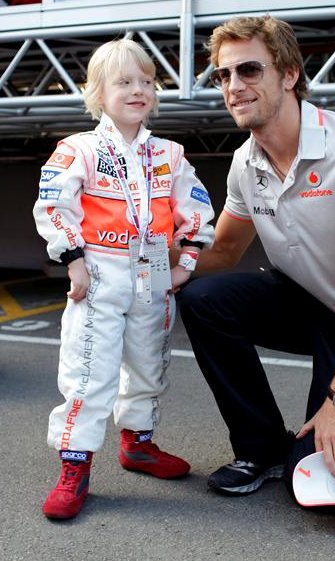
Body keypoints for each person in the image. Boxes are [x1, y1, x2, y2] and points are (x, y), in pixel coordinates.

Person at [177, 15, 335, 499]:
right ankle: (261, 448)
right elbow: (223, 251)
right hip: (307, 303)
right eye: (223, 75)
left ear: (290, 74)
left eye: (249, 70)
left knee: (324, 483)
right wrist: (138, 254)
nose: (233, 86)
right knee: (202, 299)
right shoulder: (244, 161)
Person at [33, 38, 214, 519]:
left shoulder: (170, 154)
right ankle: (75, 465)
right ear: (97, 93)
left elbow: (196, 208)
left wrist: (186, 262)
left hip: (153, 273)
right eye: (124, 82)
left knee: (150, 365)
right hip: (99, 272)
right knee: (89, 370)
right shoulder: (79, 148)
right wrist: (73, 260)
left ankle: (138, 445)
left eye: (146, 81)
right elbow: (53, 204)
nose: (138, 90)